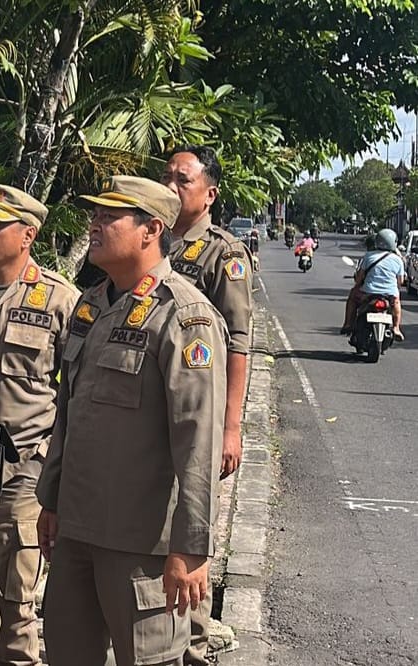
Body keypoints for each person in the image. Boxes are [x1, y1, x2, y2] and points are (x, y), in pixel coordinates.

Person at [35, 176, 227, 666]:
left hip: (142, 547)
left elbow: (198, 440)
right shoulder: (91, 305)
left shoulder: (184, 316)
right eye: (95, 214)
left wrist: (191, 548)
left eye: (109, 216)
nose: (94, 224)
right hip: (77, 532)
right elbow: (69, 412)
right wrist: (51, 500)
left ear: (150, 230)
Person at [0, 184, 79, 666]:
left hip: (25, 472)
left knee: (16, 604)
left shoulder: (59, 300)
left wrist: (56, 464)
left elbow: (79, 391)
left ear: (28, 234)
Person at [160, 145, 251, 666]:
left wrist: (231, 426)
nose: (173, 185)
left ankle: (193, 641)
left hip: (201, 417)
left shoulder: (223, 254)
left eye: (184, 179)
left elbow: (238, 342)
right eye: (167, 176)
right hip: (153, 415)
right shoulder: (152, 239)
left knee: (189, 523)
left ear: (209, 194)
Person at [341, 228, 406, 340]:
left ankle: (348, 324)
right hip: (389, 295)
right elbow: (400, 282)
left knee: (352, 296)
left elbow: (359, 279)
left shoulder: (368, 256)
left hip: (368, 293)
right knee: (396, 302)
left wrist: (358, 282)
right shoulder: (398, 260)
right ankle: (396, 328)